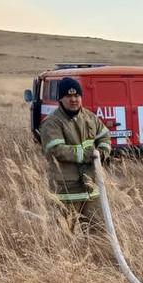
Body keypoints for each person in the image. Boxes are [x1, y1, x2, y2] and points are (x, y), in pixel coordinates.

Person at [39, 77, 112, 230]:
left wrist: (103, 152)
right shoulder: (52, 123)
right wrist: (88, 155)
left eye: (77, 95)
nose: (73, 99)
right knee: (65, 237)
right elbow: (56, 150)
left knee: (98, 233)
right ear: (61, 99)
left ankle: (95, 255)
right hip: (67, 191)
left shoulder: (90, 117)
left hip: (91, 187)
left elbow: (104, 135)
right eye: (69, 96)